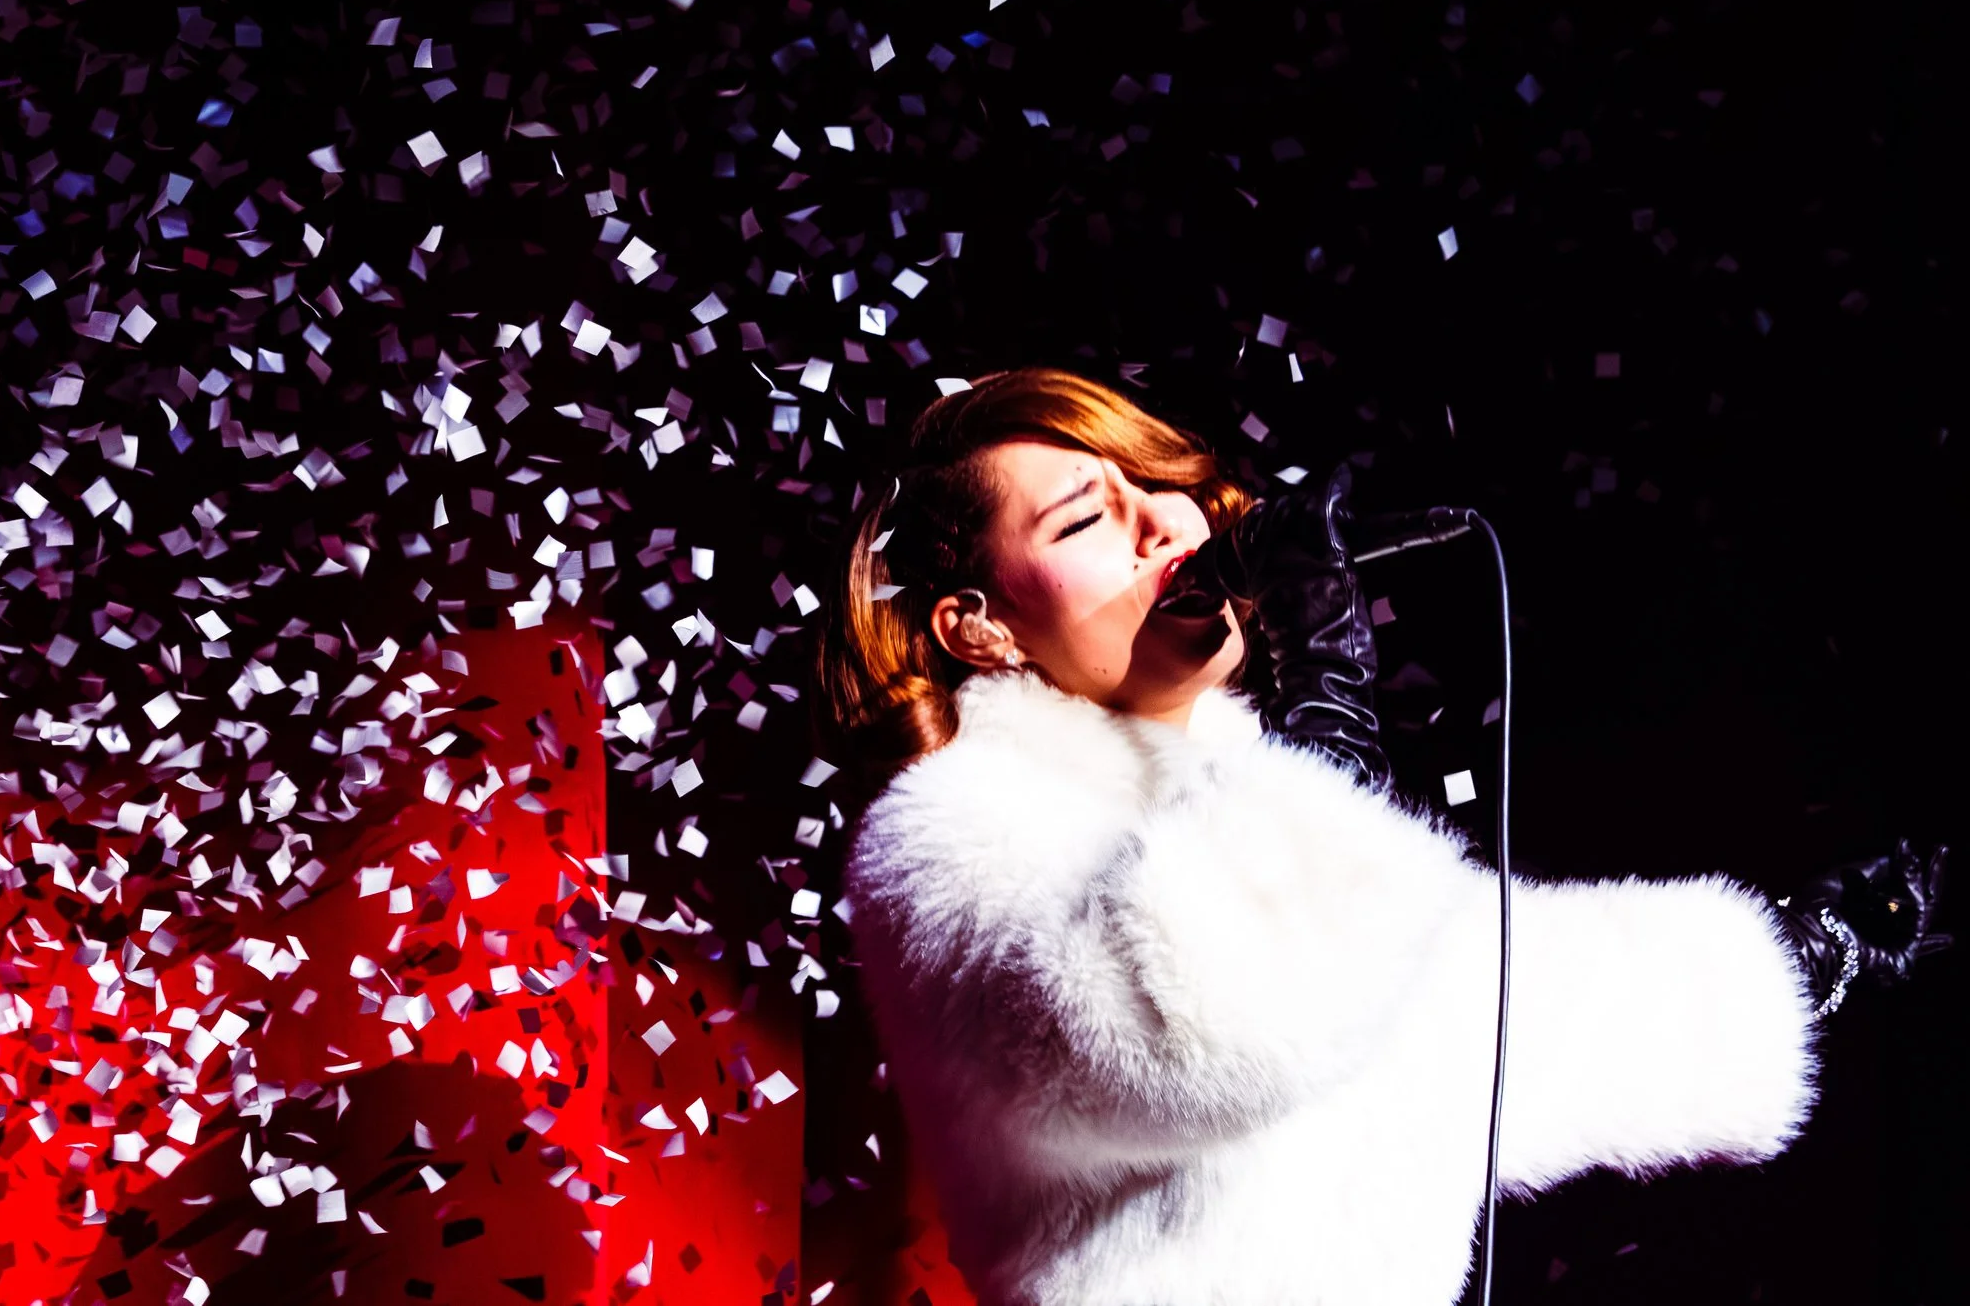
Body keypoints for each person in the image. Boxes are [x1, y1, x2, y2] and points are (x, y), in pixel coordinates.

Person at [812, 366, 1949, 1306]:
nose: (1167, 519)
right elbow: (1197, 1023)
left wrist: (1806, 954)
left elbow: (1507, 1015)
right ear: (982, 626)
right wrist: (1326, 719)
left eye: (1156, 483)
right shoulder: (948, 838)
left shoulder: (1250, 807)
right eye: (1083, 515)